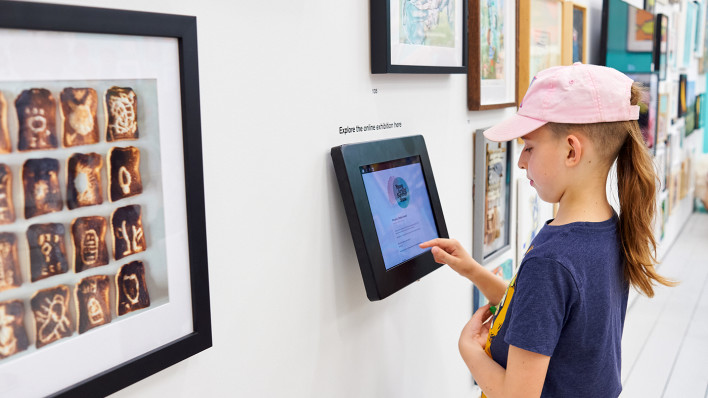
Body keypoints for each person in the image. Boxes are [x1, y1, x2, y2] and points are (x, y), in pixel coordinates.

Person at [420, 63, 676, 397]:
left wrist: (468, 349)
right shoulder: (607, 228)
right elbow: (541, 314)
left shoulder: (552, 260)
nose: (522, 161)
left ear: (571, 150)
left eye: (529, 146)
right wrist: (472, 269)